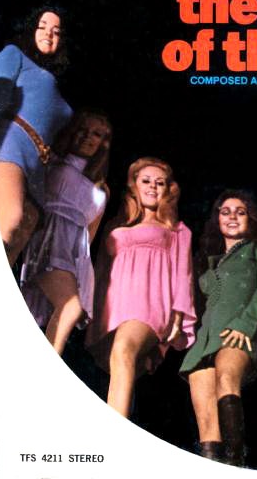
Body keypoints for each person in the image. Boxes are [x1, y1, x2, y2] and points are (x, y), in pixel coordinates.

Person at [87, 157, 196, 418]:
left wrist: (178, 315)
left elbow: (184, 275)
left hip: (150, 305)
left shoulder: (176, 230)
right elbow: (100, 270)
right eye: (146, 181)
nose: (152, 187)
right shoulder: (116, 225)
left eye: (160, 183)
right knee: (122, 366)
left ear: (168, 189)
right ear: (134, 186)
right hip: (114, 307)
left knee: (123, 350)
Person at [180, 189, 257, 466]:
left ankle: (237, 463)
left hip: (238, 333)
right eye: (226, 212)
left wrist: (245, 324)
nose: (232, 216)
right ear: (217, 219)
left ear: (250, 218)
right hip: (204, 341)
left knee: (226, 379)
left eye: (240, 212)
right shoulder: (208, 261)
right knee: (206, 422)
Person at [20, 110, 112, 355]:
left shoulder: (101, 188)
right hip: (48, 242)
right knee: (70, 307)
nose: (87, 137)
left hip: (73, 256)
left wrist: (82, 273)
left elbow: (90, 234)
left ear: (103, 143)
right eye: (83, 129)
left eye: (96, 134)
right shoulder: (51, 161)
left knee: (49, 315)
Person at [0, 6, 73, 264]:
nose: (49, 34)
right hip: (10, 147)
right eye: (42, 26)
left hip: (39, 169)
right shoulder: (14, 54)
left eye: (56, 31)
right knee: (9, 222)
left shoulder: (57, 84)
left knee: (14, 247)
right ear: (29, 30)